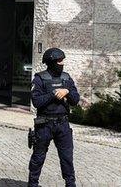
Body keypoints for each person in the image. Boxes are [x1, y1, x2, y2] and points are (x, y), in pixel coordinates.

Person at [28, 47, 80, 187]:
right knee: (38, 157)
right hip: (44, 124)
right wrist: (53, 94)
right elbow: (37, 102)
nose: (62, 63)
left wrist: (67, 92)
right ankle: (33, 184)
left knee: (67, 158)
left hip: (63, 124)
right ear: (51, 62)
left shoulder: (66, 78)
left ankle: (70, 184)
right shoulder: (39, 79)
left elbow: (75, 100)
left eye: (62, 61)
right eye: (59, 61)